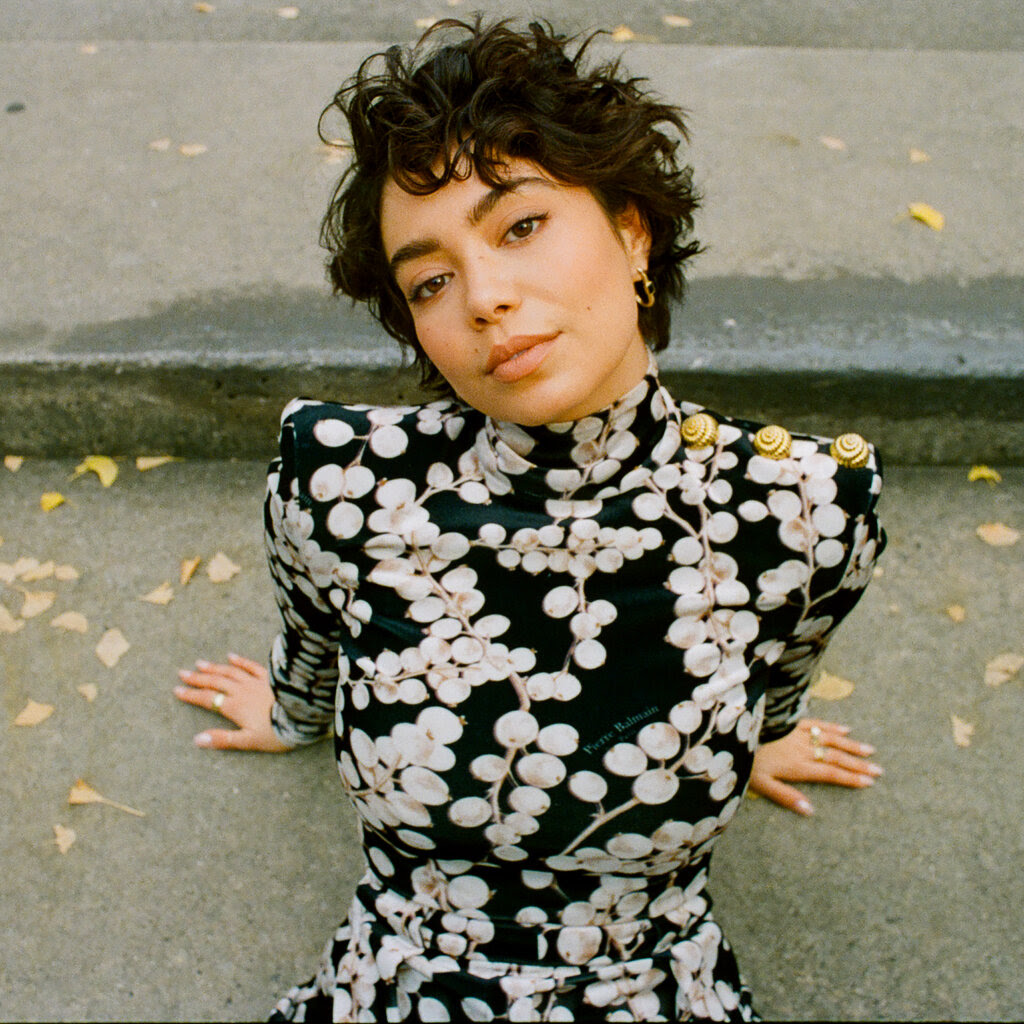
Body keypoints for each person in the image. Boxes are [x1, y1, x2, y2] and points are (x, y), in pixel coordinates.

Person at [175, 19, 885, 1021]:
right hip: (401, 978)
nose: (485, 298)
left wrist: (753, 736)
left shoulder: (803, 506)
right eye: (430, 278)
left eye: (519, 226)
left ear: (631, 228)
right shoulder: (339, 480)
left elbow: (784, 657)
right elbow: (312, 634)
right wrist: (291, 715)